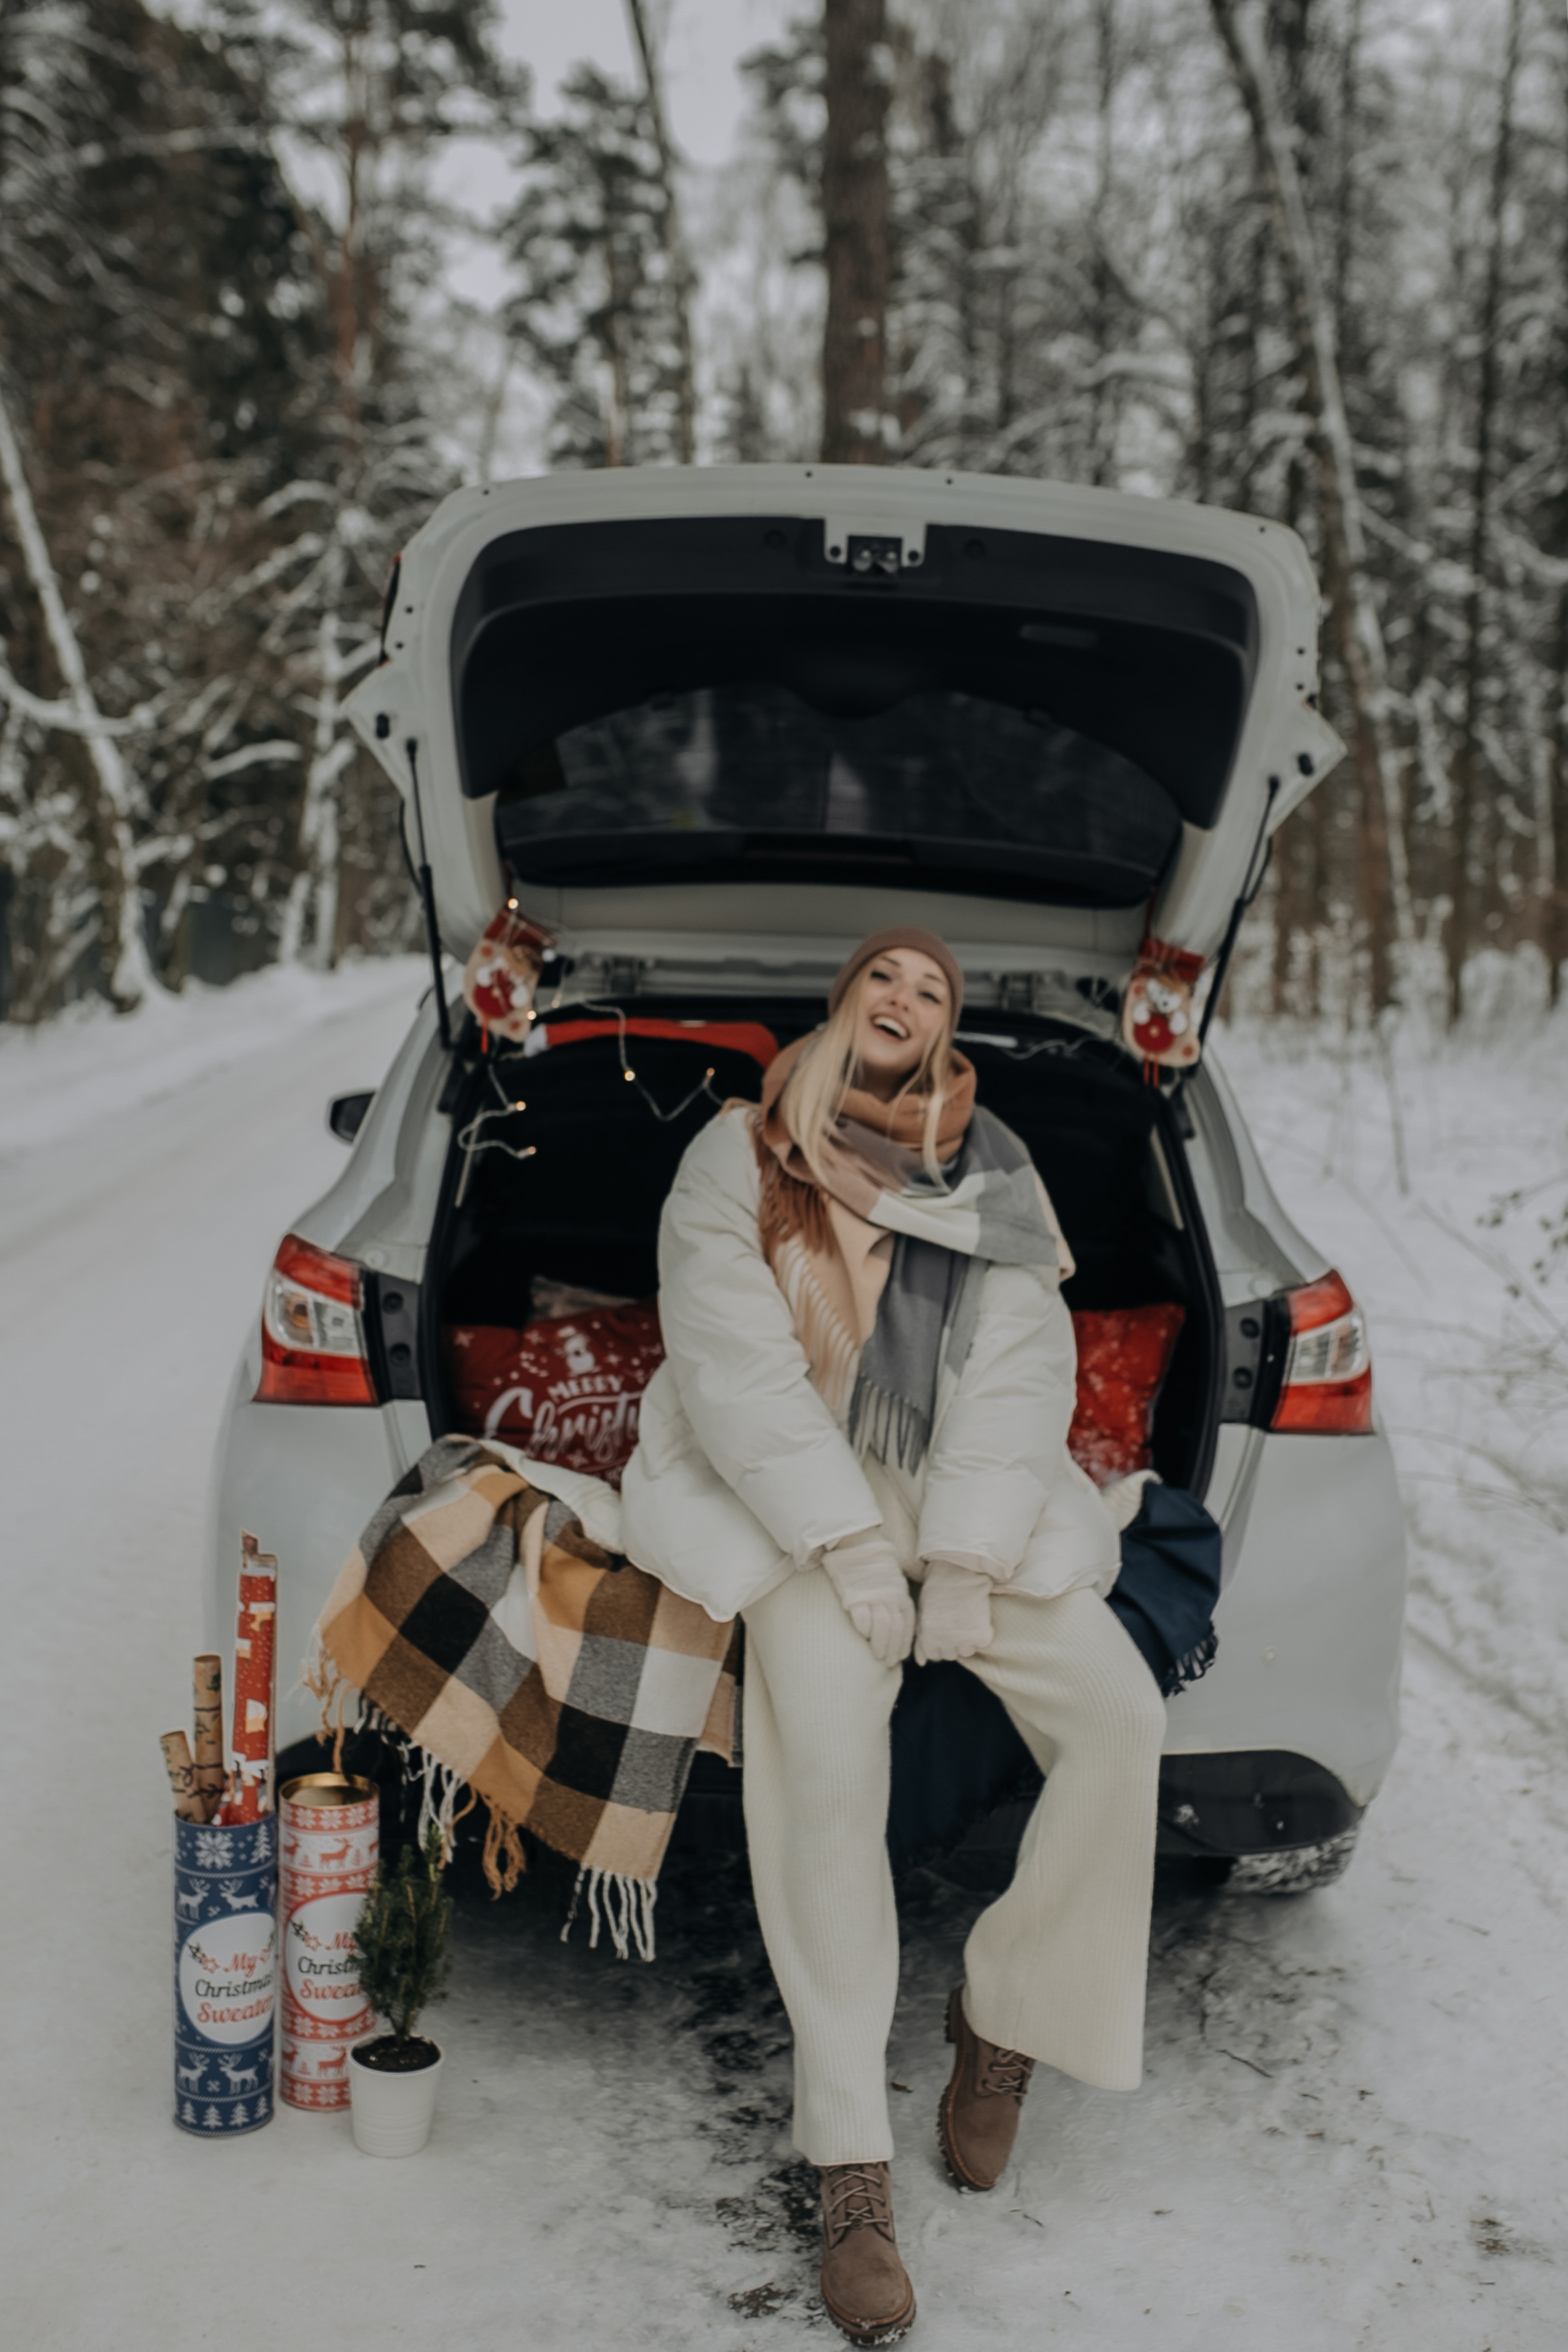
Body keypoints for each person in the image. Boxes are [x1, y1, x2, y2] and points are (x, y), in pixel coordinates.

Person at [619, 928, 1167, 2347]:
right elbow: (732, 1365)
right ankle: (851, 2165)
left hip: (963, 1489)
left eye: (933, 989)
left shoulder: (995, 1172)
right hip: (790, 1489)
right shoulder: (738, 1158)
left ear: (945, 1029)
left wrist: (969, 1557)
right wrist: (850, 1547)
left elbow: (1021, 1366)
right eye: (886, 978)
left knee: (1121, 1718)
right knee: (824, 1768)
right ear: (844, 999)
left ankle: (1006, 2020)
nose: (905, 999)